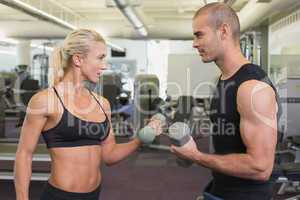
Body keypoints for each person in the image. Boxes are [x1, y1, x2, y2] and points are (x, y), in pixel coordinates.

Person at [14, 29, 162, 200]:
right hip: (60, 196)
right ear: (78, 59)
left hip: (94, 195)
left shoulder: (102, 103)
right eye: (100, 58)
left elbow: (110, 155)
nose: (104, 65)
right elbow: (24, 154)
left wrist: (139, 140)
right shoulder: (45, 101)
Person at [170, 3, 279, 200]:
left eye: (199, 34)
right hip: (221, 190)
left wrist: (196, 156)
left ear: (223, 31)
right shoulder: (225, 79)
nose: (194, 43)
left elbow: (260, 167)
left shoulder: (251, 87)